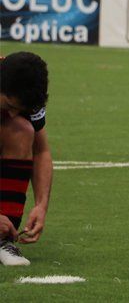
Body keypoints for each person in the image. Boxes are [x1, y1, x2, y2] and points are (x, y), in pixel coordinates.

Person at [0, 52, 52, 267]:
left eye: (20, 109)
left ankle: (3, 239)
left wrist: (41, 205)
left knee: (21, 130)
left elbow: (41, 152)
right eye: (10, 105)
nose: (13, 114)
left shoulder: (30, 98)